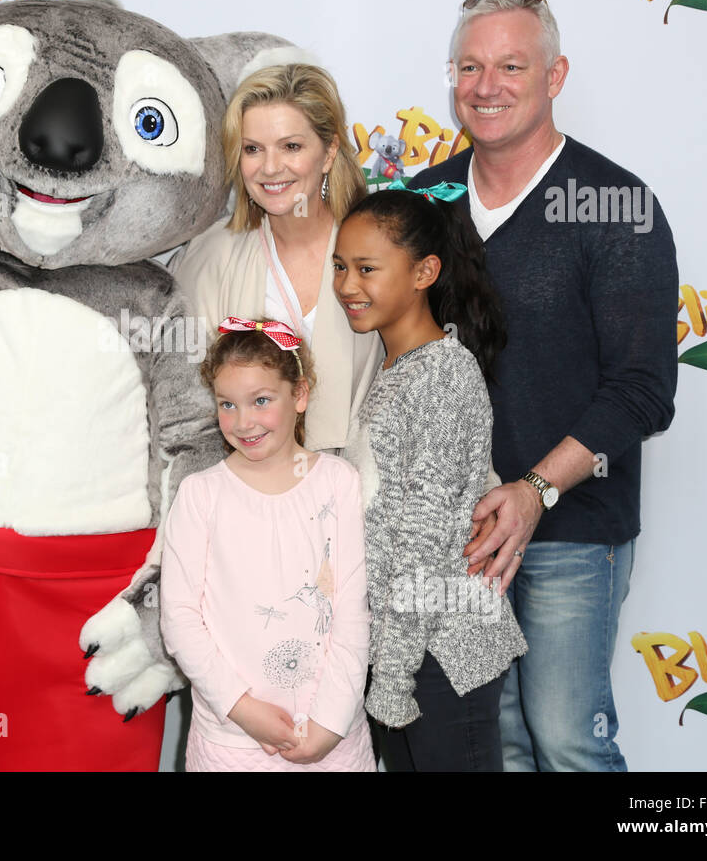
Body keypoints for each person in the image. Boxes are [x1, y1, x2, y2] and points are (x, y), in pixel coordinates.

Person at [410, 0, 678, 771]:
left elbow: (644, 388)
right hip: (458, 538)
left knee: (568, 740)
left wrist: (534, 491)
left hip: (570, 527)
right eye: (469, 66)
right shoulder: (424, 202)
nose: (485, 84)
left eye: (510, 65)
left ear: (555, 76)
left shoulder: (616, 206)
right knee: (498, 743)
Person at [335, 184, 526, 771]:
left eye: (367, 268)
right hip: (404, 647)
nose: (347, 285)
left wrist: (392, 676)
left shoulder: (443, 375)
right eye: (340, 267)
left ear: (425, 273)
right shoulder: (397, 367)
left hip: (440, 653)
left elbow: (421, 543)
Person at [159, 318, 374, 771]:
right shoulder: (201, 495)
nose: (244, 422)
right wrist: (243, 710)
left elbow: (352, 612)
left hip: (331, 737)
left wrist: (329, 723)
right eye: (227, 404)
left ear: (299, 394)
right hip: (232, 742)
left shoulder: (338, 484)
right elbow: (180, 618)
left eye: (261, 401)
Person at [170, 63, 370, 452]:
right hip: (244, 495)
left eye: (291, 146)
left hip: (364, 495)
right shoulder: (209, 258)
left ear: (328, 153)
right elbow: (187, 403)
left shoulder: (383, 250)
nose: (271, 167)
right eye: (253, 149)